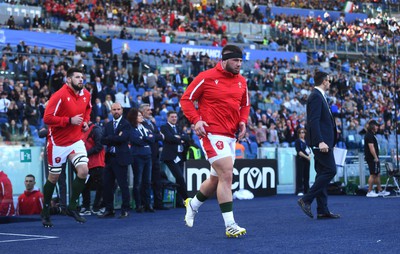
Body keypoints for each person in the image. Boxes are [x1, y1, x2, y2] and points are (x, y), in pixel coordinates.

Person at [180, 44, 250, 237]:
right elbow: (186, 100)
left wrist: (243, 121)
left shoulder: (242, 81)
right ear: (225, 60)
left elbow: (245, 105)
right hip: (211, 133)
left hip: (230, 135)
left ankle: (192, 204)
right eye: (235, 60)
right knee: (227, 173)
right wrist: (196, 120)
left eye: (241, 61)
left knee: (215, 179)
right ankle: (230, 225)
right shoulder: (206, 77)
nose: (239, 64)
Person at [41, 67, 92, 227]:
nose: (81, 80)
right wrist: (68, 121)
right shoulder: (59, 96)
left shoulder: (86, 94)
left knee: (84, 171)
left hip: (76, 140)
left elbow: (88, 109)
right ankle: (46, 210)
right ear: (68, 80)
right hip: (57, 142)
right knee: (54, 177)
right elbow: (47, 118)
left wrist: (85, 122)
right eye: (77, 77)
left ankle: (71, 206)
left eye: (82, 77)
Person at [297, 71, 340, 220]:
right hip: (321, 143)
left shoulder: (319, 96)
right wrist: (321, 141)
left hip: (324, 142)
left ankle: (322, 210)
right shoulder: (316, 96)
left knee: (322, 173)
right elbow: (313, 121)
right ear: (324, 81)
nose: (329, 83)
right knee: (330, 170)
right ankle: (306, 199)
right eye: (328, 81)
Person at [99, 102, 131, 219]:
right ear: (111, 111)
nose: (116, 111)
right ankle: (109, 209)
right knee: (107, 185)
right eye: (114, 110)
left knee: (123, 185)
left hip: (121, 159)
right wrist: (116, 138)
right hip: (109, 158)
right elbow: (102, 140)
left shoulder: (126, 124)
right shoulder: (107, 125)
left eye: (118, 109)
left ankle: (125, 209)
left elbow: (123, 138)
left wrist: (111, 138)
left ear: (122, 110)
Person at [140, 103, 169, 210]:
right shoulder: (140, 124)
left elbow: (158, 136)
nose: (150, 112)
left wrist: (156, 136)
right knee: (146, 181)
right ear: (142, 112)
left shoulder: (152, 123)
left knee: (157, 180)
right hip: (146, 156)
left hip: (155, 155)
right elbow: (152, 137)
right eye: (148, 110)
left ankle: (158, 203)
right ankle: (145, 204)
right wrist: (157, 136)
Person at [160, 111, 190, 208]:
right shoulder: (164, 127)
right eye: (172, 117)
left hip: (180, 157)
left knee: (179, 179)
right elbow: (169, 138)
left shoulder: (178, 128)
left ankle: (179, 202)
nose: (174, 118)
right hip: (170, 157)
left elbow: (187, 138)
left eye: (175, 117)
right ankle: (187, 200)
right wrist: (179, 138)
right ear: (168, 118)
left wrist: (179, 137)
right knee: (180, 178)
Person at [127, 108, 154, 213]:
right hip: (137, 156)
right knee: (138, 181)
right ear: (134, 117)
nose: (141, 117)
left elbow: (153, 138)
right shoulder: (131, 128)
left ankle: (148, 204)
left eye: (141, 115)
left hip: (148, 155)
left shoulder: (145, 126)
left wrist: (145, 138)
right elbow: (136, 140)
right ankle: (139, 204)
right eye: (139, 115)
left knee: (147, 181)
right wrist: (146, 138)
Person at [79, 121, 105, 215]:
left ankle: (96, 206)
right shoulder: (80, 130)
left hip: (96, 162)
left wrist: (85, 153)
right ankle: (87, 207)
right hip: (86, 163)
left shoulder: (95, 130)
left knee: (100, 185)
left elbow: (99, 146)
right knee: (84, 185)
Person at [364, 120, 390, 197]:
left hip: (374, 158)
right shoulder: (369, 135)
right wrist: (375, 157)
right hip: (372, 158)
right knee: (373, 174)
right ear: (372, 126)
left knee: (377, 174)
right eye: (376, 125)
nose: (377, 127)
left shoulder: (372, 135)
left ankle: (380, 190)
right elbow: (371, 147)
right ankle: (369, 191)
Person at [295, 128, 311, 196]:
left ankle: (306, 189)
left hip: (307, 160)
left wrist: (309, 155)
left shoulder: (306, 141)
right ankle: (299, 190)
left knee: (306, 176)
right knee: (300, 175)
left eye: (303, 132)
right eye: (301, 132)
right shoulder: (297, 141)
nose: (302, 134)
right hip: (301, 159)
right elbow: (299, 152)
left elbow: (309, 149)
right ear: (298, 134)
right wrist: (307, 157)